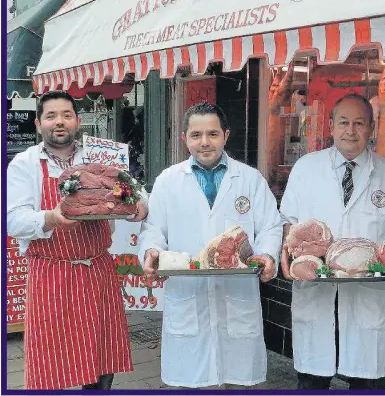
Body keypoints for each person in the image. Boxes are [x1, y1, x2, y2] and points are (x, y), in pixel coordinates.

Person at [279, 93, 385, 390]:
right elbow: (285, 221)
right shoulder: (306, 168)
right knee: (311, 381)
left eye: (359, 123)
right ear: (331, 126)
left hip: (366, 295)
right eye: (344, 122)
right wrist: (285, 250)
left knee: (366, 381)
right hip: (316, 290)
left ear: (371, 128)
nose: (351, 130)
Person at [7, 91, 148, 390]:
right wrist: (51, 218)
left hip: (97, 271)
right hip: (51, 273)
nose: (59, 122)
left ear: (78, 121)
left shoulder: (99, 155)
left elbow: (135, 192)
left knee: (102, 359)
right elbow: (13, 220)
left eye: (66, 115)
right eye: (51, 116)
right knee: (49, 362)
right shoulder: (24, 164)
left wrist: (139, 207)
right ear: (38, 123)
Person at [138, 102, 282, 389]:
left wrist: (267, 255)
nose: (204, 142)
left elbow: (271, 226)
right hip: (188, 297)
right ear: (184, 139)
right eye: (196, 135)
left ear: (226, 135)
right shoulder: (168, 181)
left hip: (237, 293)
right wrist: (151, 252)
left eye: (213, 134)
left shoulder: (250, 179)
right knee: (191, 383)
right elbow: (153, 229)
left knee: (239, 382)